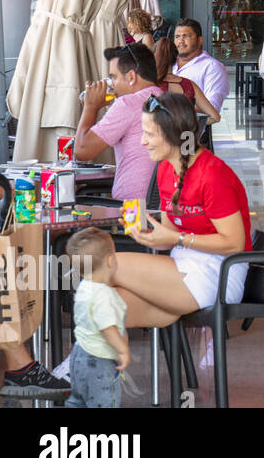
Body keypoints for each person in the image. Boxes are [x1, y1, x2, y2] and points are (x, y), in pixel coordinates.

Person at [112, 92, 251, 327]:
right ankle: (80, 364)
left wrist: (177, 238)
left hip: (220, 272)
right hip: (182, 265)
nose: (142, 142)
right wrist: (150, 237)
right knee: (105, 305)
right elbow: (170, 237)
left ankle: (81, 363)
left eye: (148, 134)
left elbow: (235, 243)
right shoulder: (165, 169)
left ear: (173, 135)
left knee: (103, 265)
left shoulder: (212, 174)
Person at [74, 43, 163, 200]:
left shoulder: (128, 104)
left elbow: (82, 150)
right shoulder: (167, 99)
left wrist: (90, 107)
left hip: (131, 210)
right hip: (163, 206)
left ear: (131, 77)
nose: (112, 84)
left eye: (113, 77)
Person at [63, 228, 129, 408]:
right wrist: (122, 350)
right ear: (110, 260)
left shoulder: (84, 287)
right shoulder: (103, 295)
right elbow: (107, 328)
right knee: (104, 402)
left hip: (78, 356)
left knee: (78, 401)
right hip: (100, 361)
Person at [152, 38, 221, 123]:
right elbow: (215, 117)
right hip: (184, 135)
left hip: (156, 134)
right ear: (175, 58)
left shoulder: (148, 85)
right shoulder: (189, 84)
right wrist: (188, 122)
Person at [172, 18, 229, 114]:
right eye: (177, 37)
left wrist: (171, 108)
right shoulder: (168, 63)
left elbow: (212, 107)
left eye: (186, 36)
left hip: (189, 127)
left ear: (200, 40)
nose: (180, 41)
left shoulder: (212, 67)